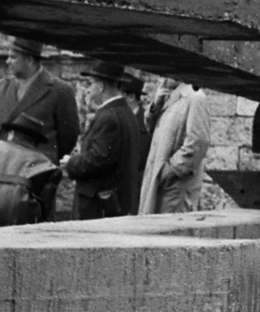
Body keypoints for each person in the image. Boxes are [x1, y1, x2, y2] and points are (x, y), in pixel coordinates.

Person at [62, 60, 150, 219]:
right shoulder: (126, 113)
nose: (89, 89)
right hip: (118, 202)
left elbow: (99, 159)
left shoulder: (109, 117)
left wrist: (71, 163)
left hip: (99, 204)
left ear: (101, 86)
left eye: (91, 84)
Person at [0, 37, 79, 161]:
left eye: (13, 57)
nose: (7, 61)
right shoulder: (2, 87)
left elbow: (68, 137)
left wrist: (48, 161)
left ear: (30, 60)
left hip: (37, 169)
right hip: (4, 167)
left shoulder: (59, 90)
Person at [139, 78, 212, 214]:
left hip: (176, 187)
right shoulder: (169, 96)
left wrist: (172, 170)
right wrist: (156, 104)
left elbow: (198, 142)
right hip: (161, 181)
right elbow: (151, 128)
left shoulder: (195, 98)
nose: (163, 78)